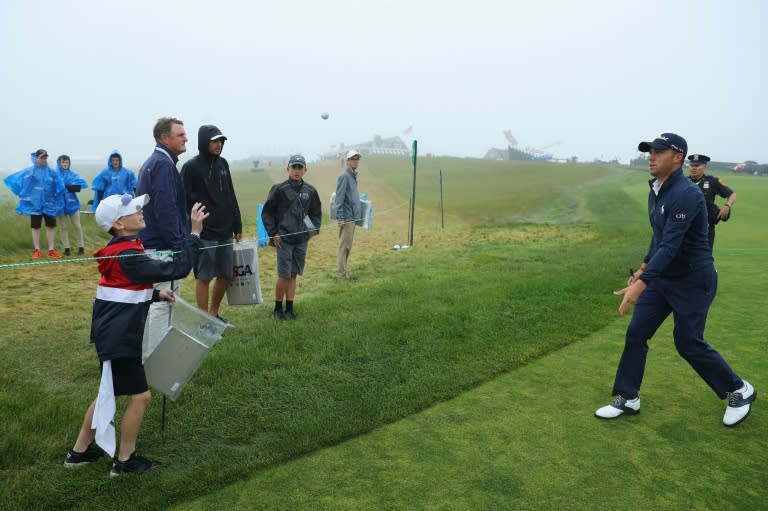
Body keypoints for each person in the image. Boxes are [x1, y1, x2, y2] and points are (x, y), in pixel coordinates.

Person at [595, 133, 755, 427]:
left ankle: (739, 390)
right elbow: (659, 237)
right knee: (637, 332)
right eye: (649, 152)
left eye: (658, 152)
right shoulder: (656, 189)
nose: (650, 156)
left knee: (688, 342)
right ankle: (628, 397)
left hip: (694, 280)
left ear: (677, 157)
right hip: (664, 278)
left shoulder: (686, 193)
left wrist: (640, 286)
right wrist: (644, 268)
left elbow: (673, 246)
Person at [64, 193, 207, 476]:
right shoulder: (128, 253)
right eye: (133, 209)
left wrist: (155, 294)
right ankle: (125, 461)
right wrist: (194, 234)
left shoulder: (124, 249)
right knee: (140, 396)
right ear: (118, 223)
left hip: (113, 331)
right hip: (119, 336)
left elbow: (121, 287)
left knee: (110, 392)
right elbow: (178, 268)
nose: (141, 211)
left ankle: (78, 453)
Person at [136, 117, 190, 360]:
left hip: (154, 245)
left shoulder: (156, 162)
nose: (185, 138)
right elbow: (166, 209)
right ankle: (155, 360)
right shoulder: (162, 165)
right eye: (180, 134)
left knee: (156, 303)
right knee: (162, 304)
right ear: (164, 138)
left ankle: (148, 355)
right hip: (162, 248)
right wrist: (179, 246)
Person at [181, 124, 243, 321]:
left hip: (225, 231)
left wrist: (237, 224)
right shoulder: (191, 167)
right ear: (204, 142)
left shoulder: (223, 164)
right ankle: (203, 321)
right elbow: (182, 202)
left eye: (221, 141)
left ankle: (213, 314)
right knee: (204, 277)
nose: (219, 145)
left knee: (226, 275)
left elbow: (231, 194)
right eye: (215, 141)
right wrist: (191, 229)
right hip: (205, 232)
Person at [261, 154, 322, 320]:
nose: (296, 170)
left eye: (300, 167)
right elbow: (267, 213)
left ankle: (290, 308)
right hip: (284, 241)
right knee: (284, 275)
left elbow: (315, 213)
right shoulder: (279, 189)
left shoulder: (310, 191)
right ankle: (277, 309)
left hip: (301, 241)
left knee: (294, 274)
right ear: (287, 169)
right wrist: (273, 233)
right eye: (293, 167)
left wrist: (310, 232)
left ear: (305, 170)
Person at [3, 149, 65, 259]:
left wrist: (57, 197)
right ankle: (37, 250)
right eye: (41, 157)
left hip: (49, 204)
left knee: (50, 226)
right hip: (34, 205)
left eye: (45, 157)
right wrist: (24, 195)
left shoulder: (52, 172)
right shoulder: (30, 172)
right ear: (36, 158)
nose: (44, 159)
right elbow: (20, 182)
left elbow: (59, 186)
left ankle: (51, 250)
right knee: (35, 227)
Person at [687, 153, 736, 248]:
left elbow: (732, 194)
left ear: (704, 167)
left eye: (697, 166)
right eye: (692, 165)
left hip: (706, 228)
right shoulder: (682, 181)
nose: (693, 168)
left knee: (704, 258)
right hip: (685, 227)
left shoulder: (712, 181)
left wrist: (727, 205)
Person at [335, 149, 362, 279]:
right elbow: (338, 199)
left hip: (352, 217)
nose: (355, 161)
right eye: (353, 158)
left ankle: (344, 272)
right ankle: (342, 274)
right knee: (344, 246)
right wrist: (340, 217)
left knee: (348, 247)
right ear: (348, 161)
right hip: (346, 218)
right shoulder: (344, 176)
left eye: (357, 158)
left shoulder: (352, 175)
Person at [56, 154, 88, 256]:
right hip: (61, 205)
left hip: (73, 204)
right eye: (63, 162)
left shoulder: (73, 175)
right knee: (63, 227)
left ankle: (81, 247)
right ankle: (66, 248)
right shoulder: (55, 175)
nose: (65, 164)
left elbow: (81, 184)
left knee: (77, 226)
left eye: (67, 162)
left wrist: (68, 187)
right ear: (59, 163)